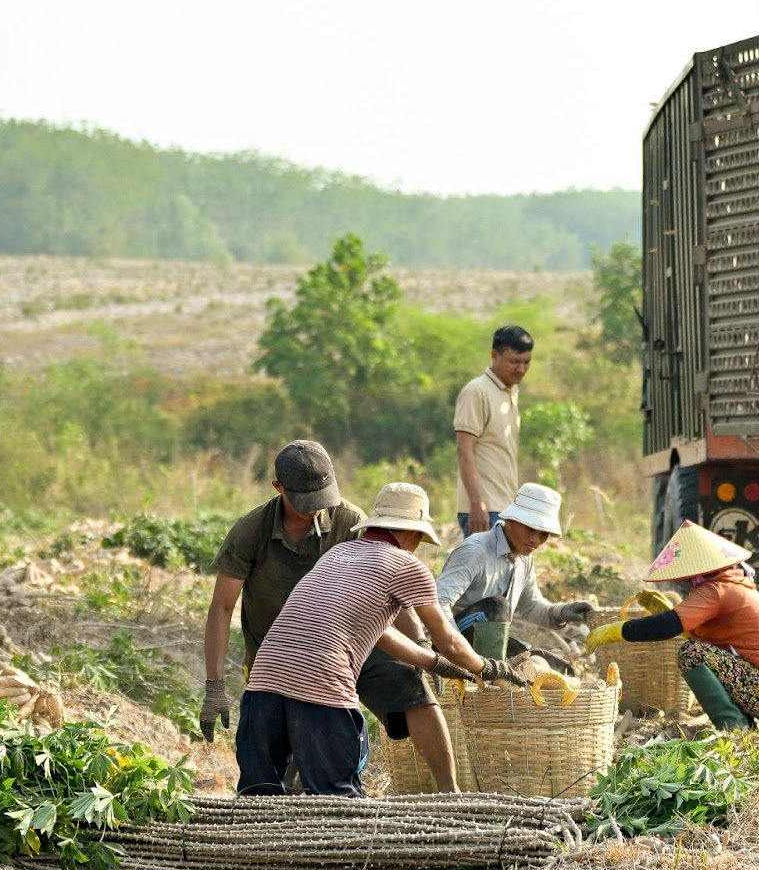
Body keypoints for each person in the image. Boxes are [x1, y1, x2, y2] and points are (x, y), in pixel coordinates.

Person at [200, 440, 459, 792]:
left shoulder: (350, 520)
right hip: (282, 652)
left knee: (412, 691)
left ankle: (449, 792)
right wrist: (214, 686)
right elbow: (222, 608)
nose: (315, 510)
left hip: (356, 642)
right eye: (305, 501)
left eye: (322, 498)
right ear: (278, 488)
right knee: (285, 774)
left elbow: (394, 588)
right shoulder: (251, 531)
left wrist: (421, 648)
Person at [235, 482, 525, 796]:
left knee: (258, 799)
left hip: (262, 685)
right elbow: (451, 640)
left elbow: (379, 632)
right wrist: (489, 668)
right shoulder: (406, 565)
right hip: (323, 691)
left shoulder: (338, 553)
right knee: (339, 802)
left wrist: (432, 661)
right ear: (414, 534)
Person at [584, 521, 759, 730]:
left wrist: (614, 631)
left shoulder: (716, 590)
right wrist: (678, 620)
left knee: (692, 654)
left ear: (698, 573)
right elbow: (717, 644)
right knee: (702, 652)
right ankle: (744, 725)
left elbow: (667, 627)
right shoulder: (731, 585)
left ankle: (734, 729)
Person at [435, 483, 593, 659]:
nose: (536, 540)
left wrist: (562, 612)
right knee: (497, 606)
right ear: (511, 520)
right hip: (447, 643)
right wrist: (455, 646)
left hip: (484, 643)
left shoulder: (524, 560)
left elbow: (531, 607)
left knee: (552, 665)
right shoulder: (476, 551)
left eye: (543, 534)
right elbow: (438, 601)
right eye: (531, 529)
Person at [454, 324, 533, 537]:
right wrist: (476, 504)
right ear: (494, 355)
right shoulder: (477, 392)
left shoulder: (511, 392)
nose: (521, 369)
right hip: (484, 509)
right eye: (514, 362)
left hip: (506, 507)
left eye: (526, 362)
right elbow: (464, 450)